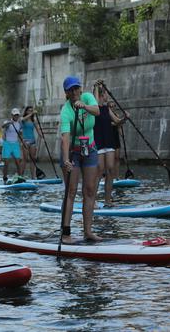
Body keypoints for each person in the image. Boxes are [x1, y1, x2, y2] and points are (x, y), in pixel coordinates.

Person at [60, 76, 101, 243]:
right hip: (73, 152)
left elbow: (97, 111)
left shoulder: (87, 98)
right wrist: (65, 160)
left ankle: (88, 232)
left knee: (90, 190)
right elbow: (65, 138)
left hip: (90, 149)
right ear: (67, 93)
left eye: (76, 88)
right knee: (71, 192)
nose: (75, 91)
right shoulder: (66, 111)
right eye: (71, 90)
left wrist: (83, 106)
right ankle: (66, 233)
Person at [93, 84, 127, 205]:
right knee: (99, 171)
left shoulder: (107, 109)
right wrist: (97, 85)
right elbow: (96, 100)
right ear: (102, 95)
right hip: (99, 142)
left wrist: (125, 118)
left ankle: (107, 200)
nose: (108, 96)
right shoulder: (95, 107)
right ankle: (93, 201)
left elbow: (117, 121)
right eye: (106, 93)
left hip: (109, 142)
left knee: (110, 170)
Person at [1, 109, 25, 182]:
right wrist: (9, 123)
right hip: (7, 144)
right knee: (6, 162)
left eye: (17, 115)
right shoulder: (7, 122)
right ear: (12, 115)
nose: (16, 116)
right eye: (15, 115)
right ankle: (5, 177)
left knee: (18, 162)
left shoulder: (19, 124)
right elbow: (3, 126)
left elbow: (20, 133)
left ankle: (20, 177)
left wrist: (22, 141)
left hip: (15, 144)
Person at [21, 105, 44, 179]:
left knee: (33, 159)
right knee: (25, 159)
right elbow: (22, 120)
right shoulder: (23, 119)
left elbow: (38, 129)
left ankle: (33, 177)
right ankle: (21, 176)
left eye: (32, 110)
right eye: (29, 110)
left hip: (32, 141)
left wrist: (41, 135)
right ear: (26, 111)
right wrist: (32, 113)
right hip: (25, 141)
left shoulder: (34, 121)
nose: (31, 111)